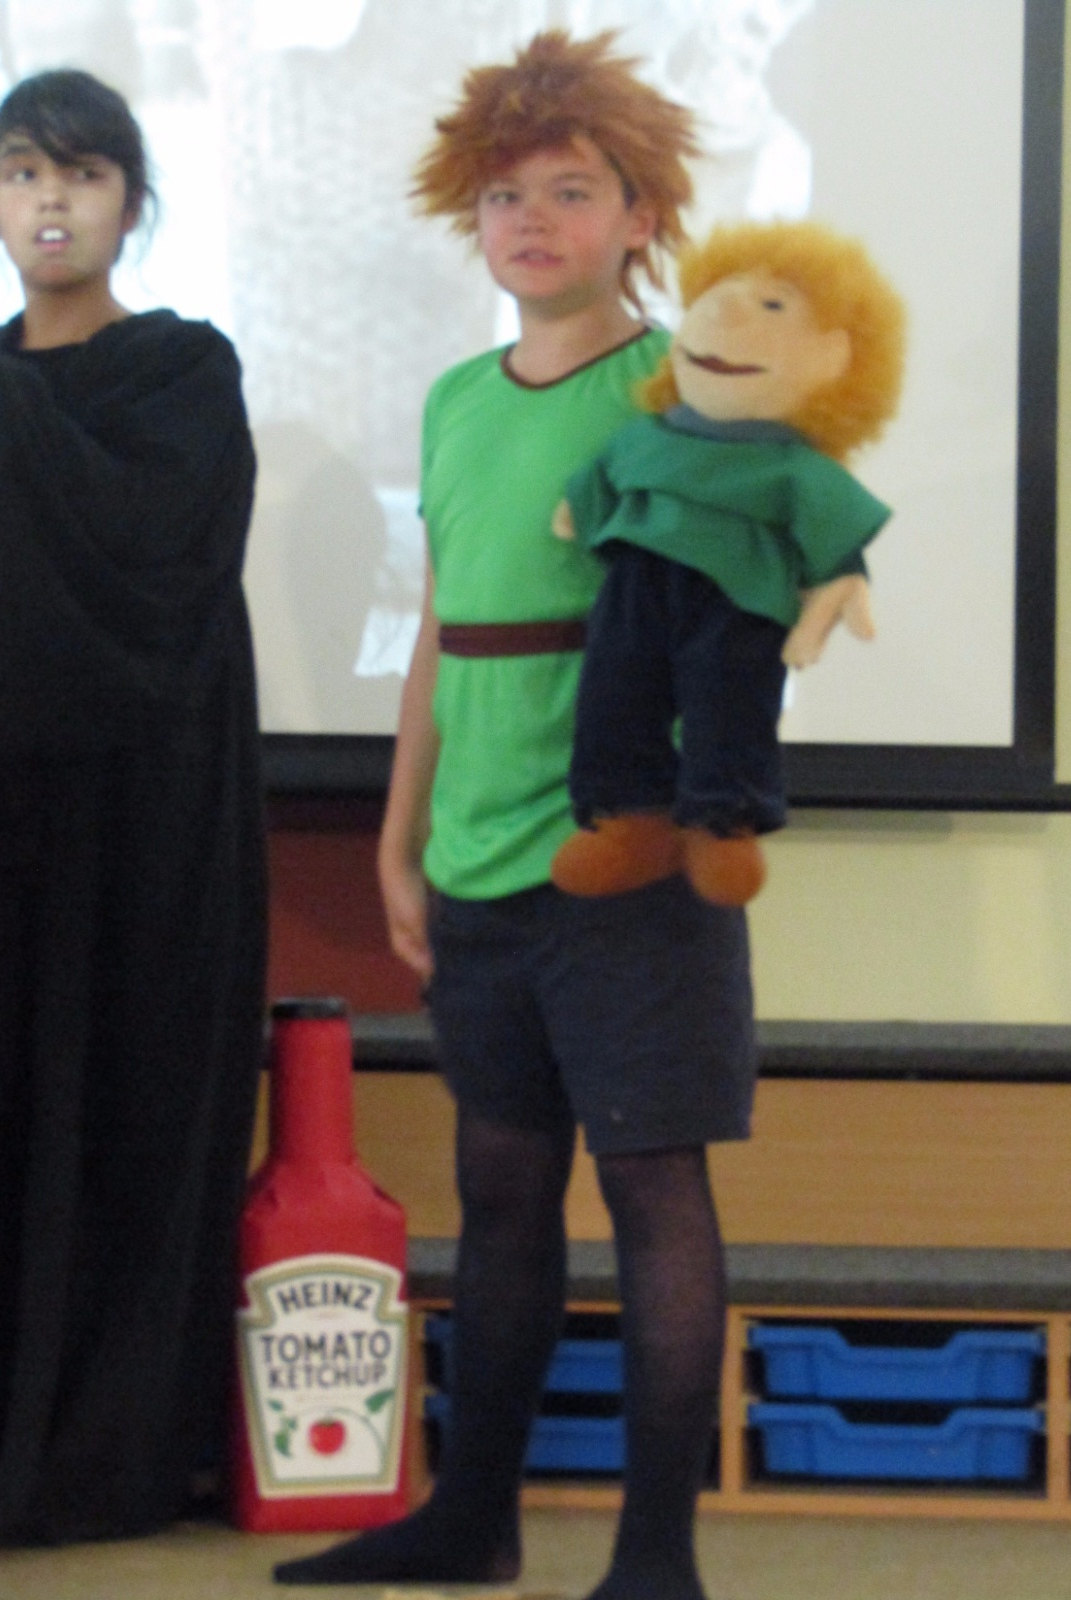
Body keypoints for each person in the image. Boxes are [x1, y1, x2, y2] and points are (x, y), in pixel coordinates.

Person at [273, 30, 736, 1600]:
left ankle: (658, 1562)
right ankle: (475, 1522)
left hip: (629, 864)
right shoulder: (459, 401)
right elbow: (441, 631)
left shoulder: (681, 392)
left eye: (573, 190)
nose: (534, 220)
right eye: (505, 195)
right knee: (502, 1193)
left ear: (639, 213)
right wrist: (398, 838)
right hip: (475, 867)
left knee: (656, 1194)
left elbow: (730, 627)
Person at [0, 70, 266, 1544]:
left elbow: (149, 573)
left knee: (126, 1126)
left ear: (134, 203)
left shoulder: (183, 373)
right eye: (23, 172)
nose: (52, 202)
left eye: (85, 174)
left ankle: (103, 1458)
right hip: (9, 833)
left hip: (148, 835)